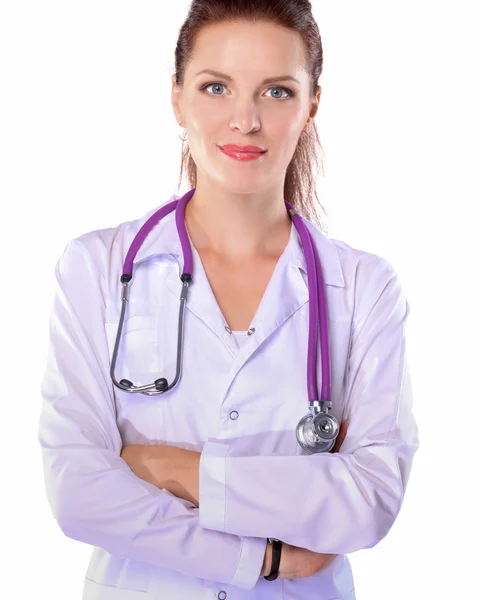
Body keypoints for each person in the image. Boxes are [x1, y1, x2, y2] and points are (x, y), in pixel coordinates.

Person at [38, 1, 420, 598]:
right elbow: (78, 492)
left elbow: (368, 502)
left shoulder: (364, 287)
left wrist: (171, 468)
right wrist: (262, 558)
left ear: (311, 103)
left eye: (276, 92)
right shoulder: (97, 268)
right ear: (177, 97)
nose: (244, 120)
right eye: (216, 86)